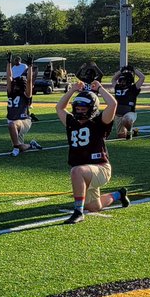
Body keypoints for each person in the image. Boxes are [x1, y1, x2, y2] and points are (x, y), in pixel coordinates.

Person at [55, 81, 130, 225]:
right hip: (86, 173)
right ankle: (119, 194)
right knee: (95, 207)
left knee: (76, 171)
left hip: (100, 168)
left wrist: (100, 89)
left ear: (92, 109)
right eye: (77, 108)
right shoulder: (72, 122)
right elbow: (59, 107)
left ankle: (78, 212)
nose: (79, 111)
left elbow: (113, 104)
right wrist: (72, 90)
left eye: (83, 109)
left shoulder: (99, 122)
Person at [6, 54, 42, 156]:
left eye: (16, 84)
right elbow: (9, 77)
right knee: (19, 147)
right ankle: (31, 145)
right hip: (13, 119)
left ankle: (17, 146)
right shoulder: (10, 92)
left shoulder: (26, 94)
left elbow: (30, 81)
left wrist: (30, 66)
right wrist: (8, 63)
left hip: (23, 120)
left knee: (11, 125)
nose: (14, 84)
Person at [112, 65, 145, 140]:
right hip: (118, 114)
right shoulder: (117, 87)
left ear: (129, 80)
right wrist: (121, 71)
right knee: (121, 136)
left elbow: (142, 77)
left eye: (123, 80)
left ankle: (129, 132)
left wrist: (134, 69)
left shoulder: (133, 88)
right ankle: (134, 131)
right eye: (121, 80)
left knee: (126, 119)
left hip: (130, 113)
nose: (121, 82)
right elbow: (113, 79)